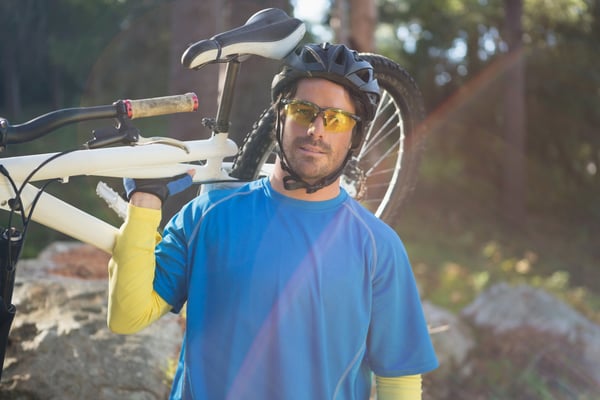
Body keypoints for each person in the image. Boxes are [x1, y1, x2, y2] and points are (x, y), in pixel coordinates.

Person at [107, 42, 438, 400]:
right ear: (279, 115)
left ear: (355, 135)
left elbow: (399, 380)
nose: (316, 129)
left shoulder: (378, 246)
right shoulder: (209, 215)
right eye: (302, 110)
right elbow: (128, 315)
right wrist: (144, 203)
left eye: (336, 119)